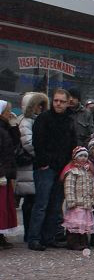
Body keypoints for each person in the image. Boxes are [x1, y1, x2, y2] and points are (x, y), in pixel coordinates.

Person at [28, 89, 77, 251]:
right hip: (46, 167)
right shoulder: (44, 118)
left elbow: (72, 143)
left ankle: (48, 237)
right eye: (56, 100)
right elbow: (37, 142)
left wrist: (69, 163)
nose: (58, 104)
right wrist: (44, 163)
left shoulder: (69, 120)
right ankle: (34, 238)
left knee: (55, 205)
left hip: (62, 167)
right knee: (41, 203)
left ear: (67, 102)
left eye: (62, 101)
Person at [15, 92, 46, 242]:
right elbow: (28, 142)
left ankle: (33, 232)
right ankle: (29, 232)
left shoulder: (34, 120)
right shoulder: (25, 121)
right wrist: (41, 153)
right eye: (38, 105)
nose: (40, 108)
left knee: (33, 199)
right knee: (30, 200)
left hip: (32, 165)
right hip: (28, 165)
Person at [60, 146, 94, 251]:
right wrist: (71, 201)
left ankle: (83, 241)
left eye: (85, 156)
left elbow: (93, 187)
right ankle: (73, 242)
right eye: (81, 156)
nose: (83, 158)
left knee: (84, 223)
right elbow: (69, 187)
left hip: (86, 203)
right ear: (75, 157)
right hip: (76, 203)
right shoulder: (72, 171)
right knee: (75, 223)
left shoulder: (88, 172)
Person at [0, 101, 19, 249]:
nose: (9, 114)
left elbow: (14, 145)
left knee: (5, 207)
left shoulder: (5, 127)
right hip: (1, 173)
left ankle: (1, 235)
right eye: (7, 111)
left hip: (6, 172)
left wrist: (13, 127)